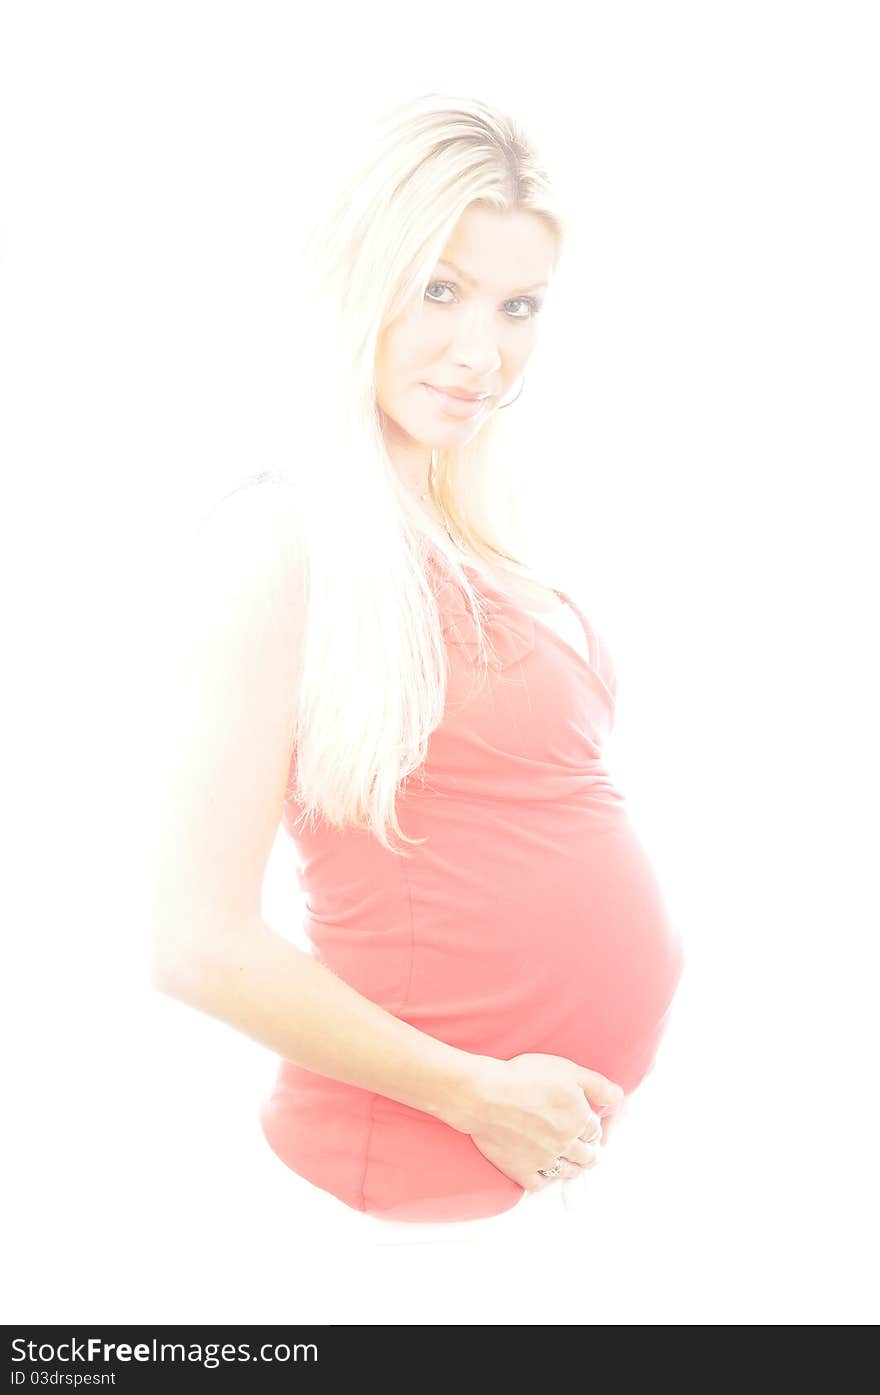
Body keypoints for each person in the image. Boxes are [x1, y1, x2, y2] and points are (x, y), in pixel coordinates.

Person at [146, 91, 685, 1244]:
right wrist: (475, 1093)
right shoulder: (279, 538)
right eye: (438, 289)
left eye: (518, 305)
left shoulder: (469, 532)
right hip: (386, 1188)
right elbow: (193, 942)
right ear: (357, 282)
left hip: (516, 1176)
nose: (482, 350)